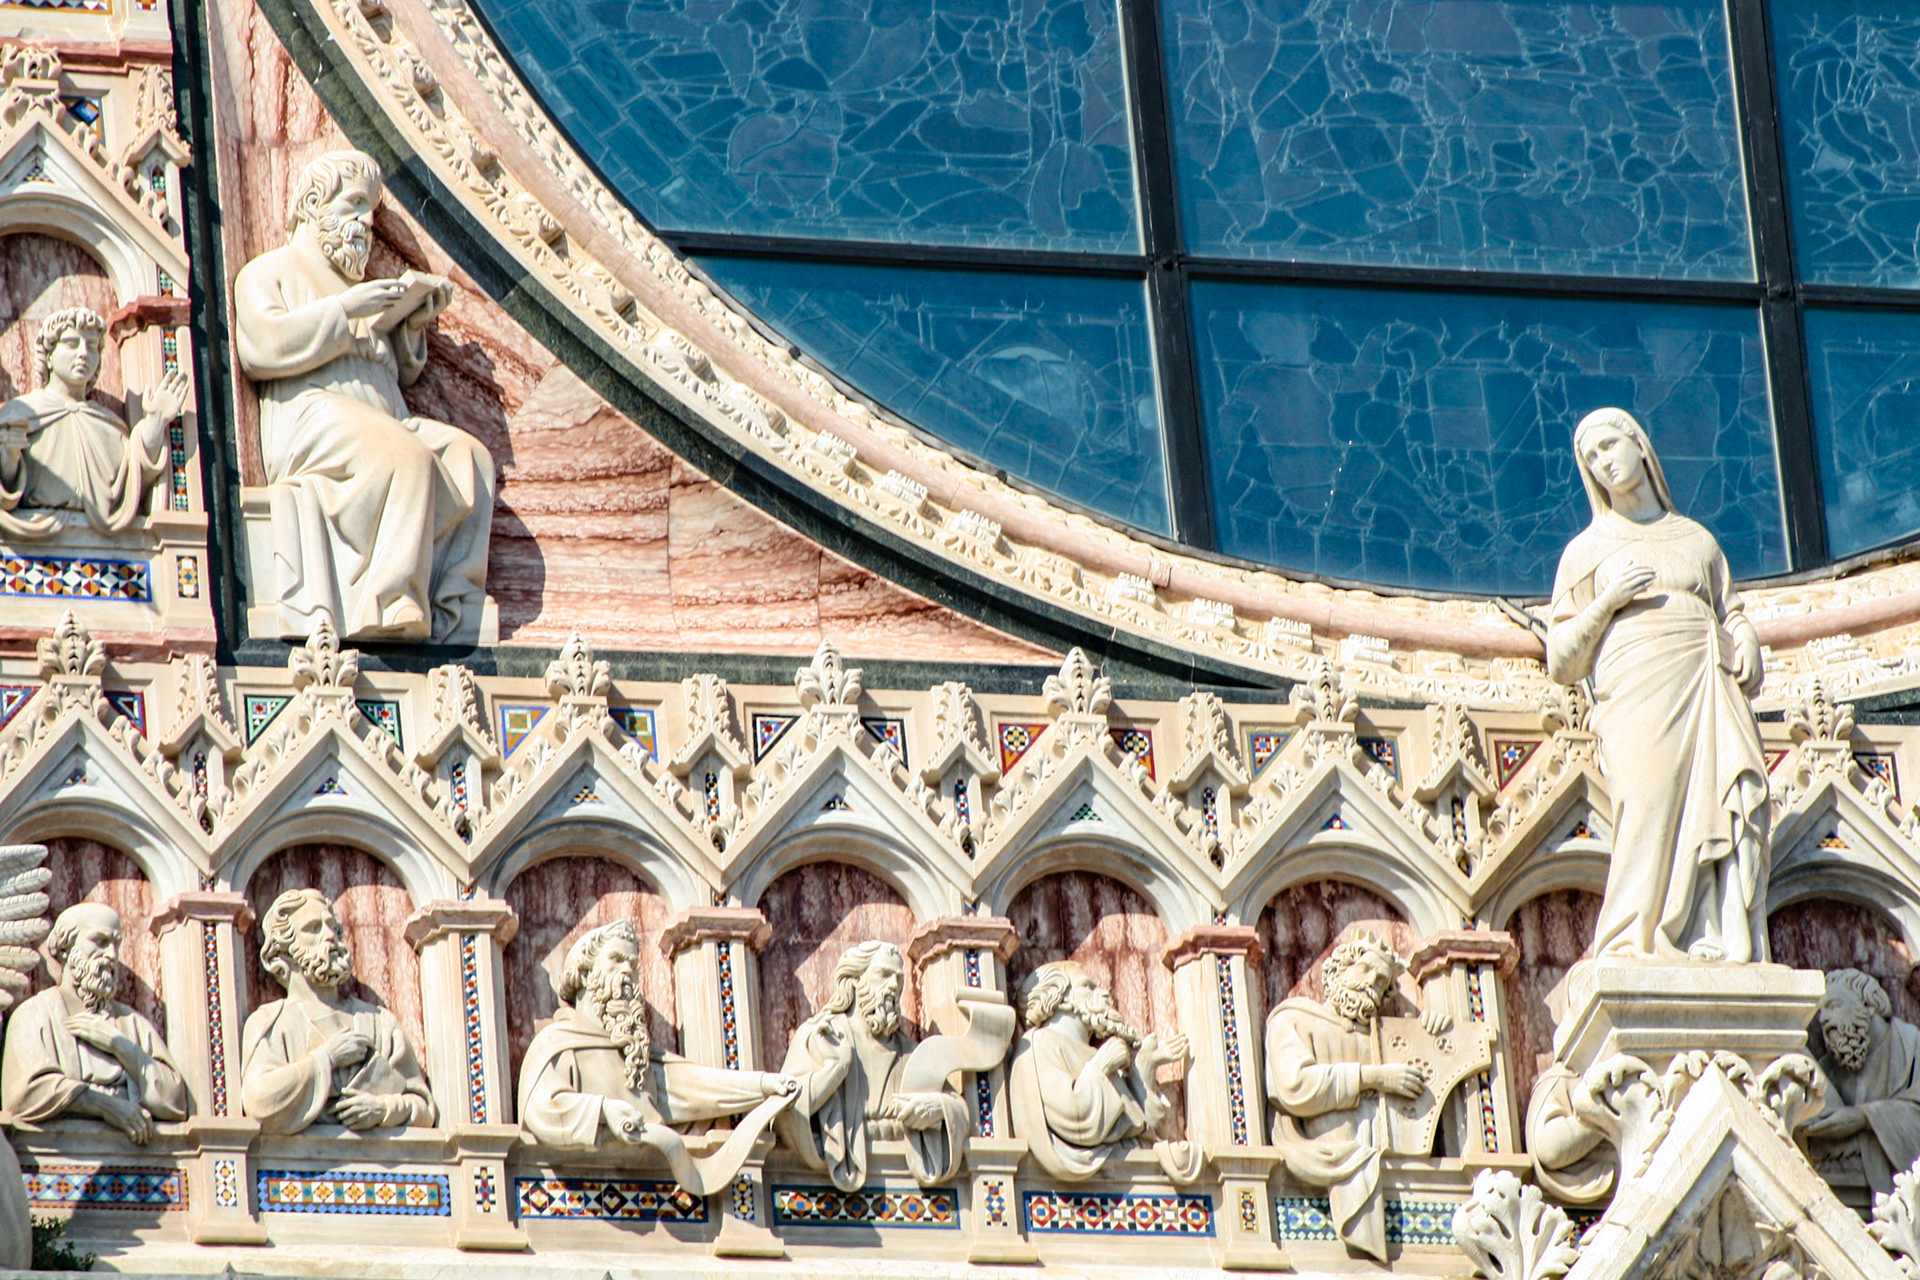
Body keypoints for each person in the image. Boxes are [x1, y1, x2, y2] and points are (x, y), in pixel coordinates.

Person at [233, 150, 493, 642]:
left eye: (370, 211)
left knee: (469, 457)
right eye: (354, 204)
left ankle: (453, 599)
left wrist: (411, 326)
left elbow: (395, 371)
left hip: (382, 418)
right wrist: (344, 309)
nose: (366, 223)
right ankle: (391, 600)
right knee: (407, 456)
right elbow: (262, 347)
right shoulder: (270, 273)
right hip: (312, 415)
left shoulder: (365, 290)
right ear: (313, 203)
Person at [1546, 407, 1769, 963]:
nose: (1602, 462)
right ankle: (1630, 938)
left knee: (1715, 799)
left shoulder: (1697, 540)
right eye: (1590, 457)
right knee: (1647, 802)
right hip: (1638, 692)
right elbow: (1561, 659)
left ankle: (1710, 932)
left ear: (1640, 445)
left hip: (1707, 682)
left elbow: (1731, 610)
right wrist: (1607, 601)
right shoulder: (1586, 551)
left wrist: (1745, 639)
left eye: (1608, 446)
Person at [518, 921, 800, 1194]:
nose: (627, 971)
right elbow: (541, 1107)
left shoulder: (637, 1055)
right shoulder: (555, 1045)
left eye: (633, 965)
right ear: (583, 972)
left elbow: (697, 1086)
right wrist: (604, 1110)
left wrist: (763, 1085)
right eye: (616, 959)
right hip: (571, 1197)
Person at [1264, 932, 1434, 1262]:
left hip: (1394, 1180)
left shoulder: (1383, 1038)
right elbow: (1295, 1086)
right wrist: (1375, 1077)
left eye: (1381, 980)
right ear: (1338, 970)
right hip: (1321, 1164)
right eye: (1365, 969)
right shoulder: (1294, 1019)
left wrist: (1431, 1032)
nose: (1371, 983)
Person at [776, 941, 970, 1190]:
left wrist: (939, 1108)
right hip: (825, 1188)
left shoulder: (911, 1054)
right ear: (855, 981)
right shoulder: (821, 1036)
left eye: (899, 979)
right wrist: (835, 1069)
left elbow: (961, 1110)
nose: (893, 986)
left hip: (912, 1182)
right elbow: (786, 1107)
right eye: (883, 974)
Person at [239, 888, 436, 1134]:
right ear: (284, 948)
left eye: (333, 927)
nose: (330, 935)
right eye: (313, 928)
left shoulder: (380, 1023)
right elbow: (258, 1102)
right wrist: (327, 1058)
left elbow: (423, 1108)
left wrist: (382, 1109)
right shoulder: (272, 1023)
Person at [0, 902, 187, 1139]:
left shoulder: (132, 1023)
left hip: (139, 1156)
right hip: (59, 1157)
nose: (112, 955)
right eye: (100, 941)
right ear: (66, 948)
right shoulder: (34, 1015)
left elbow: (174, 1101)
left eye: (116, 944)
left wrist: (120, 1046)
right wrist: (105, 1105)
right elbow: (23, 1095)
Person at [1006, 960, 1199, 1183]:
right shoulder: (1039, 1045)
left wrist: (1145, 1065)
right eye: (1088, 986)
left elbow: (1144, 1128)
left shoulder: (1092, 1054)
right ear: (1061, 998)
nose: (1104, 993)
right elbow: (1073, 1118)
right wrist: (1101, 1066)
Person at [0, 306, 186, 537]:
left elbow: (135, 479)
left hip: (108, 549)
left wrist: (156, 423)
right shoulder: (19, 414)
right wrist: (9, 456)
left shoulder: (109, 425)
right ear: (48, 356)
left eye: (92, 346)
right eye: (71, 343)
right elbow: (6, 488)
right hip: (29, 543)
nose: (83, 353)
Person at [1796, 968, 1920, 1194]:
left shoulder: (1913, 1049)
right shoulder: (1826, 1073)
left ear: (1868, 1005)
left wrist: (1863, 1118)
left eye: (1834, 1006)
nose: (1823, 1019)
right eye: (1821, 1012)